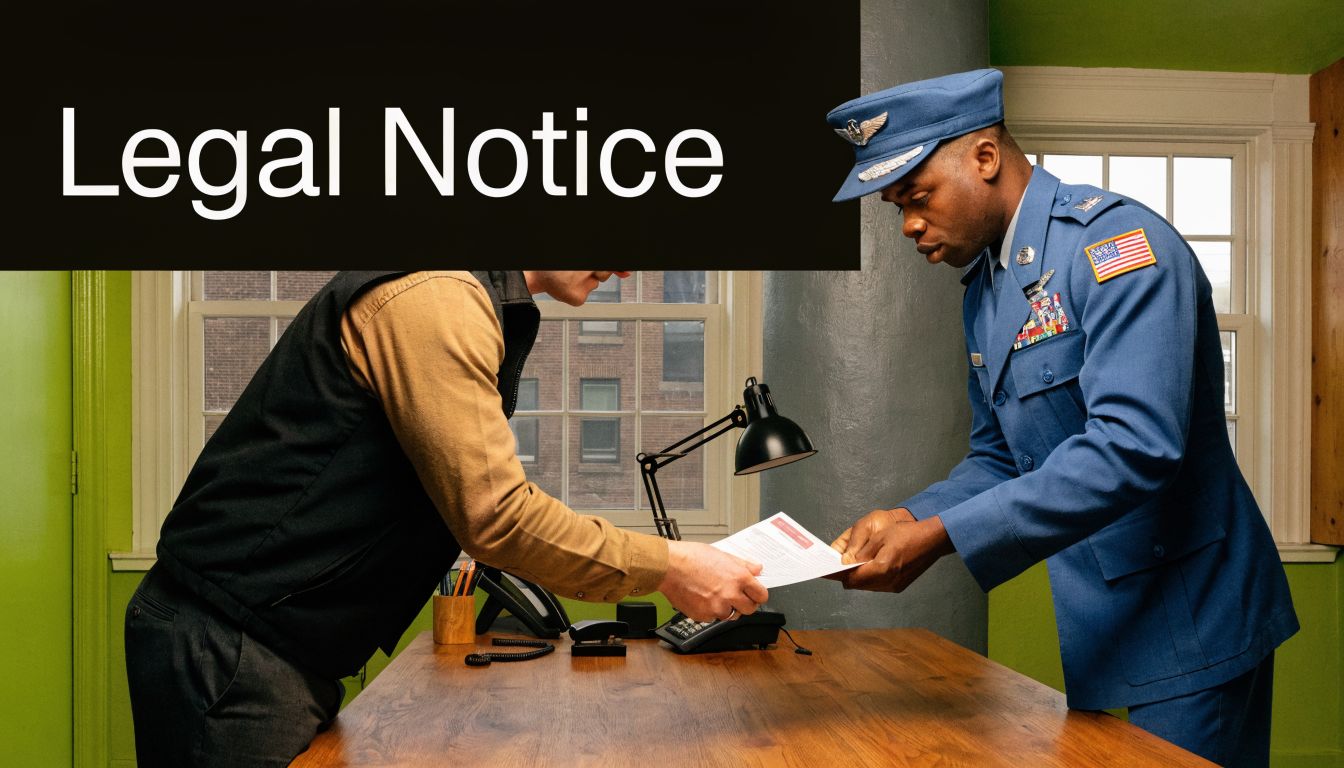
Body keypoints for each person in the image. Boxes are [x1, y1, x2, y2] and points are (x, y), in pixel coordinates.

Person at [823, 70, 1298, 767]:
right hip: (1104, 621)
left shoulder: (1120, 250)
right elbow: (998, 457)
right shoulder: (987, 290)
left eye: (916, 197)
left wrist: (941, 536)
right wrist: (909, 515)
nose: (909, 225)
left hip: (1196, 618)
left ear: (985, 157)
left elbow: (1134, 447)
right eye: (897, 207)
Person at [125, 270, 769, 767]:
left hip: (271, 647)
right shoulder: (437, 295)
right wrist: (671, 564)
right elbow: (496, 517)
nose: (629, 268)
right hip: (232, 649)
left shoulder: (469, 292)